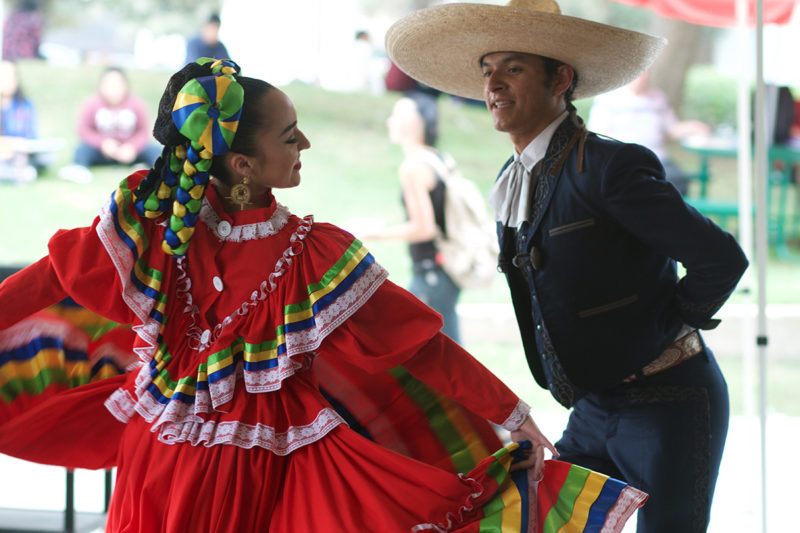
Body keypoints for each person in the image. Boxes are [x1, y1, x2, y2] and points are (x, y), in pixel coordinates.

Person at [0, 57, 649, 532]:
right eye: (289, 135)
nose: (305, 142)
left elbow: (50, 276)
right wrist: (512, 414)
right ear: (242, 166)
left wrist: (509, 411)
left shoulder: (157, 225)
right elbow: (423, 350)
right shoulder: (310, 253)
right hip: (251, 476)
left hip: (156, 457)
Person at [386, 1, 749, 532]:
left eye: (513, 69)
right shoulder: (513, 179)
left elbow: (720, 259)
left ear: (561, 78)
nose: (494, 85)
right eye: (488, 71)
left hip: (668, 401)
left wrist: (664, 328)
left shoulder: (609, 167)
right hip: (593, 406)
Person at [358, 95, 462, 343]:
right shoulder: (440, 158)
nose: (390, 121)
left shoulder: (413, 167)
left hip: (430, 275)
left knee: (426, 353)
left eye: (397, 115)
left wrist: (370, 233)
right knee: (446, 351)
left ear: (416, 123)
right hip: (445, 272)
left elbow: (424, 227)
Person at [588, 70, 711, 195]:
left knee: (678, 181)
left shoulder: (658, 98)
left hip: (658, 158)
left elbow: (671, 129)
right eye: (640, 74)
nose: (643, 78)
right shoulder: (608, 99)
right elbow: (600, 133)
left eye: (646, 74)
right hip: (625, 160)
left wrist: (694, 127)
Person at [59, 67, 162, 184]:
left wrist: (133, 146)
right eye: (108, 85)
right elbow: (83, 130)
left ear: (125, 86)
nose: (113, 89)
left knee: (154, 150)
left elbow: (143, 131)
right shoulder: (92, 104)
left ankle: (161, 172)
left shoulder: (136, 104)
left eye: (117, 84)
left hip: (129, 152)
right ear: (101, 86)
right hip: (102, 152)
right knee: (82, 149)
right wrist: (102, 143)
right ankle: (80, 170)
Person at [0, 60, 39, 183]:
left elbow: (31, 137)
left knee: (46, 157)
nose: (8, 81)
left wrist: (14, 145)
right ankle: (17, 174)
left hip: (19, 154)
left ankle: (17, 172)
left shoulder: (26, 105)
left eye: (11, 76)